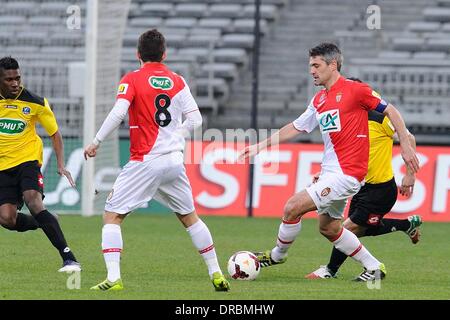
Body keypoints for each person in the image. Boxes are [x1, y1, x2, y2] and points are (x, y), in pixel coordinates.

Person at [239, 43, 419, 282]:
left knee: (292, 207)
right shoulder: (320, 100)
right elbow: (296, 126)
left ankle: (277, 255)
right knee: (329, 228)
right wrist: (261, 145)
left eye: (316, 65)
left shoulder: (355, 90)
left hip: (347, 175)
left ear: (332, 65)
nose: (312, 71)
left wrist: (406, 148)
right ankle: (374, 267)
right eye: (310, 66)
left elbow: (391, 111)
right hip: (331, 174)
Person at [84, 29, 230, 291]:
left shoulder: (132, 79)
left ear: (137, 54)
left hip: (146, 160)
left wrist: (95, 141)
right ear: (164, 54)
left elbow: (118, 114)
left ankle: (114, 277)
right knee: (190, 217)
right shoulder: (177, 80)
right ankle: (216, 273)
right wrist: (177, 134)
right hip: (174, 161)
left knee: (112, 217)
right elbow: (196, 120)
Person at [0, 56, 81, 272]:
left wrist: (61, 165)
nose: (15, 83)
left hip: (28, 161)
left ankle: (69, 258)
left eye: (17, 78)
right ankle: (45, 221)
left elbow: (55, 134)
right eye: (9, 80)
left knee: (33, 201)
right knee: (7, 219)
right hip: (3, 167)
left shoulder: (35, 102)